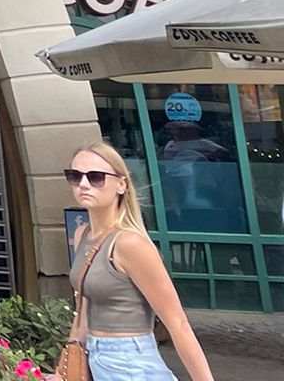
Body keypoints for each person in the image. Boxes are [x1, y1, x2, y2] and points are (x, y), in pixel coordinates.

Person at [66, 140, 215, 381]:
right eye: (75, 176)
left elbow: (178, 323)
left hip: (130, 362)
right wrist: (69, 361)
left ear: (121, 184)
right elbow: (83, 308)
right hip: (95, 357)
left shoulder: (130, 244)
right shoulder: (82, 235)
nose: (83, 184)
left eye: (96, 177)